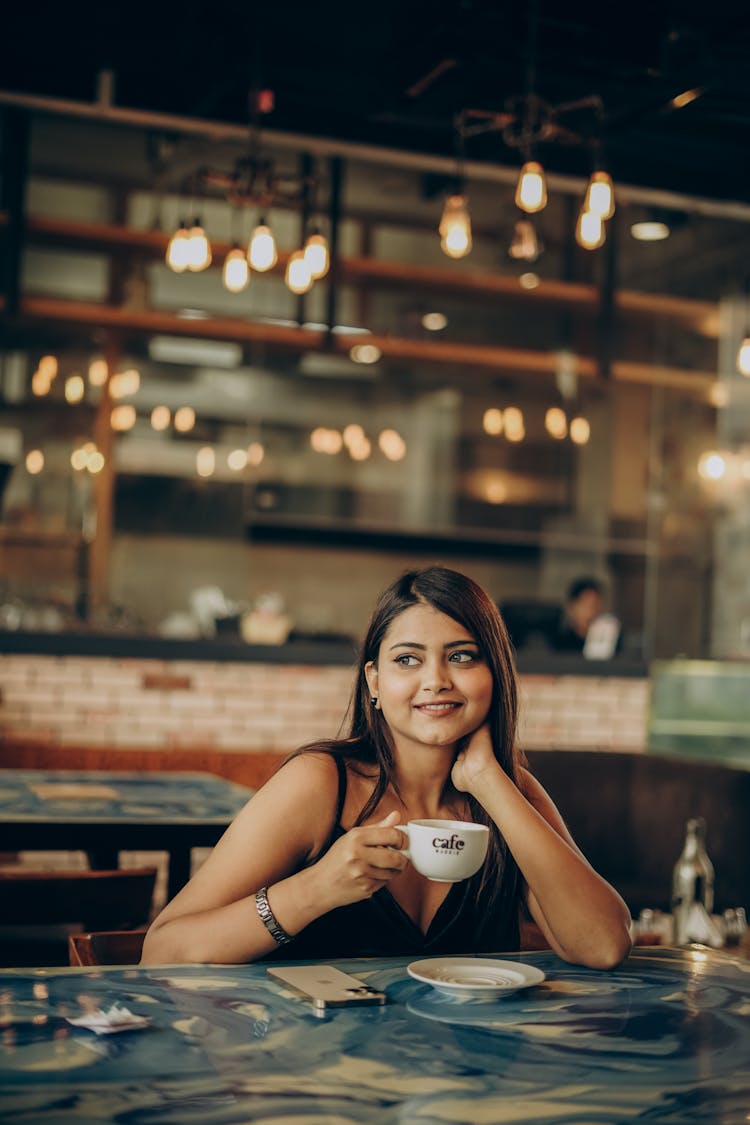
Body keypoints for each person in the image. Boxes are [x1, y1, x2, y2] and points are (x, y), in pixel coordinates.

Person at [141, 566, 632, 969]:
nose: (436, 680)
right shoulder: (320, 783)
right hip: (315, 1074)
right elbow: (162, 953)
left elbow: (604, 945)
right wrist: (315, 889)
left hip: (467, 1077)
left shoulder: (508, 791)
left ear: (495, 675)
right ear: (373, 680)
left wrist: (489, 781)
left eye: (461, 656)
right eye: (407, 660)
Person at [553, 576, 606, 653]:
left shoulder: (608, 645)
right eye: (586, 605)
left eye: (595, 605)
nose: (591, 612)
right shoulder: (559, 644)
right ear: (572, 607)